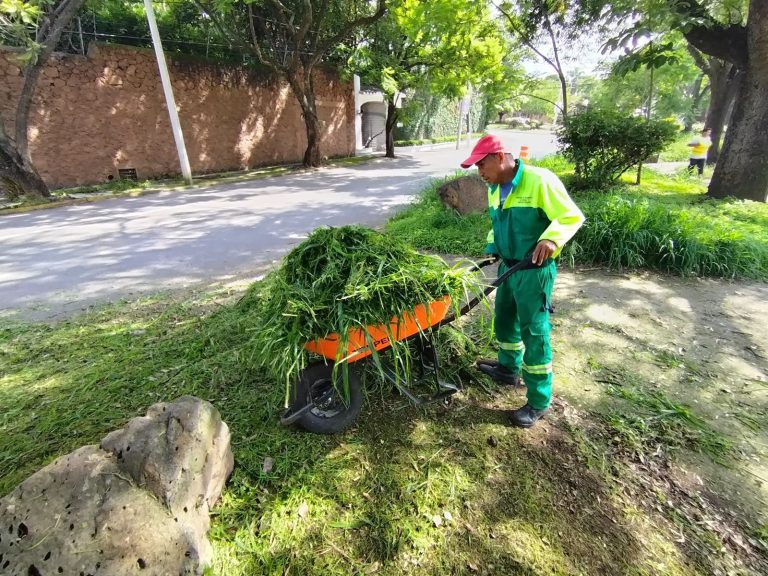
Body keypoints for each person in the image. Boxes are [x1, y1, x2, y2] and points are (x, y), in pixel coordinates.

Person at [460, 135, 584, 428]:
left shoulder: (540, 180)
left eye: (482, 164)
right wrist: (493, 246)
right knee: (504, 319)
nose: (480, 172)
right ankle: (507, 369)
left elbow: (570, 215)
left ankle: (539, 401)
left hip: (533, 270)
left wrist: (551, 239)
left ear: (500, 156)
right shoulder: (494, 188)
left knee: (534, 331)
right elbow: (497, 224)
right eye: (476, 167)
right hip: (508, 267)